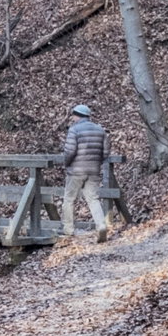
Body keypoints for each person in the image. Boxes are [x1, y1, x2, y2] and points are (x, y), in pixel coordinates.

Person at [61, 104, 112, 243]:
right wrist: (97, 162)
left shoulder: (74, 130)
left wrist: (66, 163)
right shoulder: (100, 130)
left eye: (73, 115)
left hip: (76, 171)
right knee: (93, 199)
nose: (72, 118)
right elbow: (106, 152)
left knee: (69, 199)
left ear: (77, 115)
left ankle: (68, 230)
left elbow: (69, 151)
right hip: (93, 170)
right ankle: (101, 225)